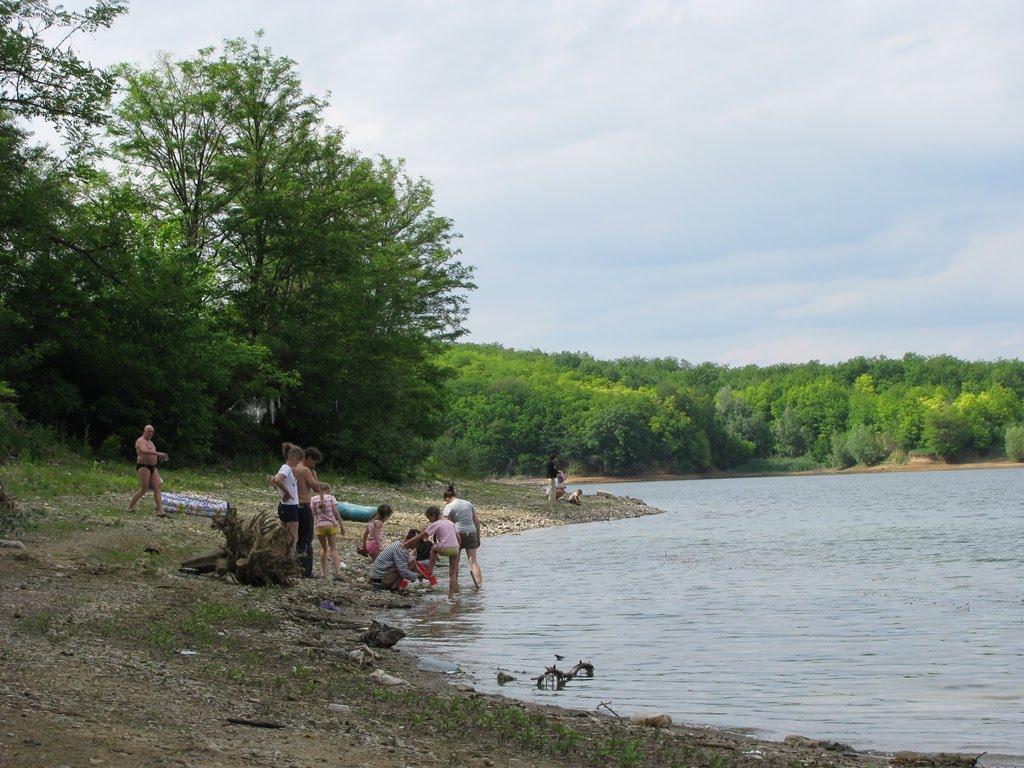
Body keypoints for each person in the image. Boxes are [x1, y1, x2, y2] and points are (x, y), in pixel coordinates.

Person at [408, 506, 460, 598]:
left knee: (433, 549)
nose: (430, 521)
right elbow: (458, 537)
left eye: (429, 518)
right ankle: (451, 596)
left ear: (434, 515)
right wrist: (458, 547)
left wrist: (406, 544)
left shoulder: (436, 524)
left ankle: (430, 570)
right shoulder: (450, 523)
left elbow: (421, 536)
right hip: (455, 549)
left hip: (444, 548)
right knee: (453, 574)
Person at [293, 445, 325, 578]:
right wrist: (315, 475)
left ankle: (295, 567)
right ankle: (306, 571)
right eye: (314, 462)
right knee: (306, 539)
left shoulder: (293, 467)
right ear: (309, 458)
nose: (314, 465)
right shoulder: (305, 470)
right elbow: (316, 487)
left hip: (293, 506)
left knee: (296, 538)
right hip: (304, 506)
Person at [442, 484, 483, 589]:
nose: (446, 502)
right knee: (473, 561)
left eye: (445, 500)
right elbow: (476, 522)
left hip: (458, 534)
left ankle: (454, 586)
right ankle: (479, 585)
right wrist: (478, 537)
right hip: (472, 532)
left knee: (455, 561)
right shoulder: (468, 504)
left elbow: (447, 525)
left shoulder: (449, 506)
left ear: (448, 497)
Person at [271, 443, 304, 558]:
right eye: (298, 460)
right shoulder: (286, 468)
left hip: (286, 505)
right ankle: (290, 558)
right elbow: (278, 480)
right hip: (289, 506)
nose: (298, 463)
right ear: (293, 457)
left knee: (285, 533)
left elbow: (273, 480)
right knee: (293, 535)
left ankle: (283, 556)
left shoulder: (285, 468)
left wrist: (283, 491)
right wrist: (288, 493)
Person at [128, 424, 169, 516]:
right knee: (144, 488)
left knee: (157, 487)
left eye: (152, 432)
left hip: (153, 467)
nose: (151, 433)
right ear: (144, 431)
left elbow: (152, 453)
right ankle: (130, 507)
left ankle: (160, 511)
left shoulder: (151, 442)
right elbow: (143, 451)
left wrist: (159, 457)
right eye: (149, 431)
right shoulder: (140, 441)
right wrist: (159, 453)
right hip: (143, 466)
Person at [311, 484, 346, 580]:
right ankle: (338, 572)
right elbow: (336, 513)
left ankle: (324, 572)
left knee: (323, 549)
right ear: (328, 490)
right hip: (331, 525)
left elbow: (312, 514)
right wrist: (342, 526)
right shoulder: (331, 498)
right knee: (333, 549)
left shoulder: (313, 499)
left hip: (320, 526)